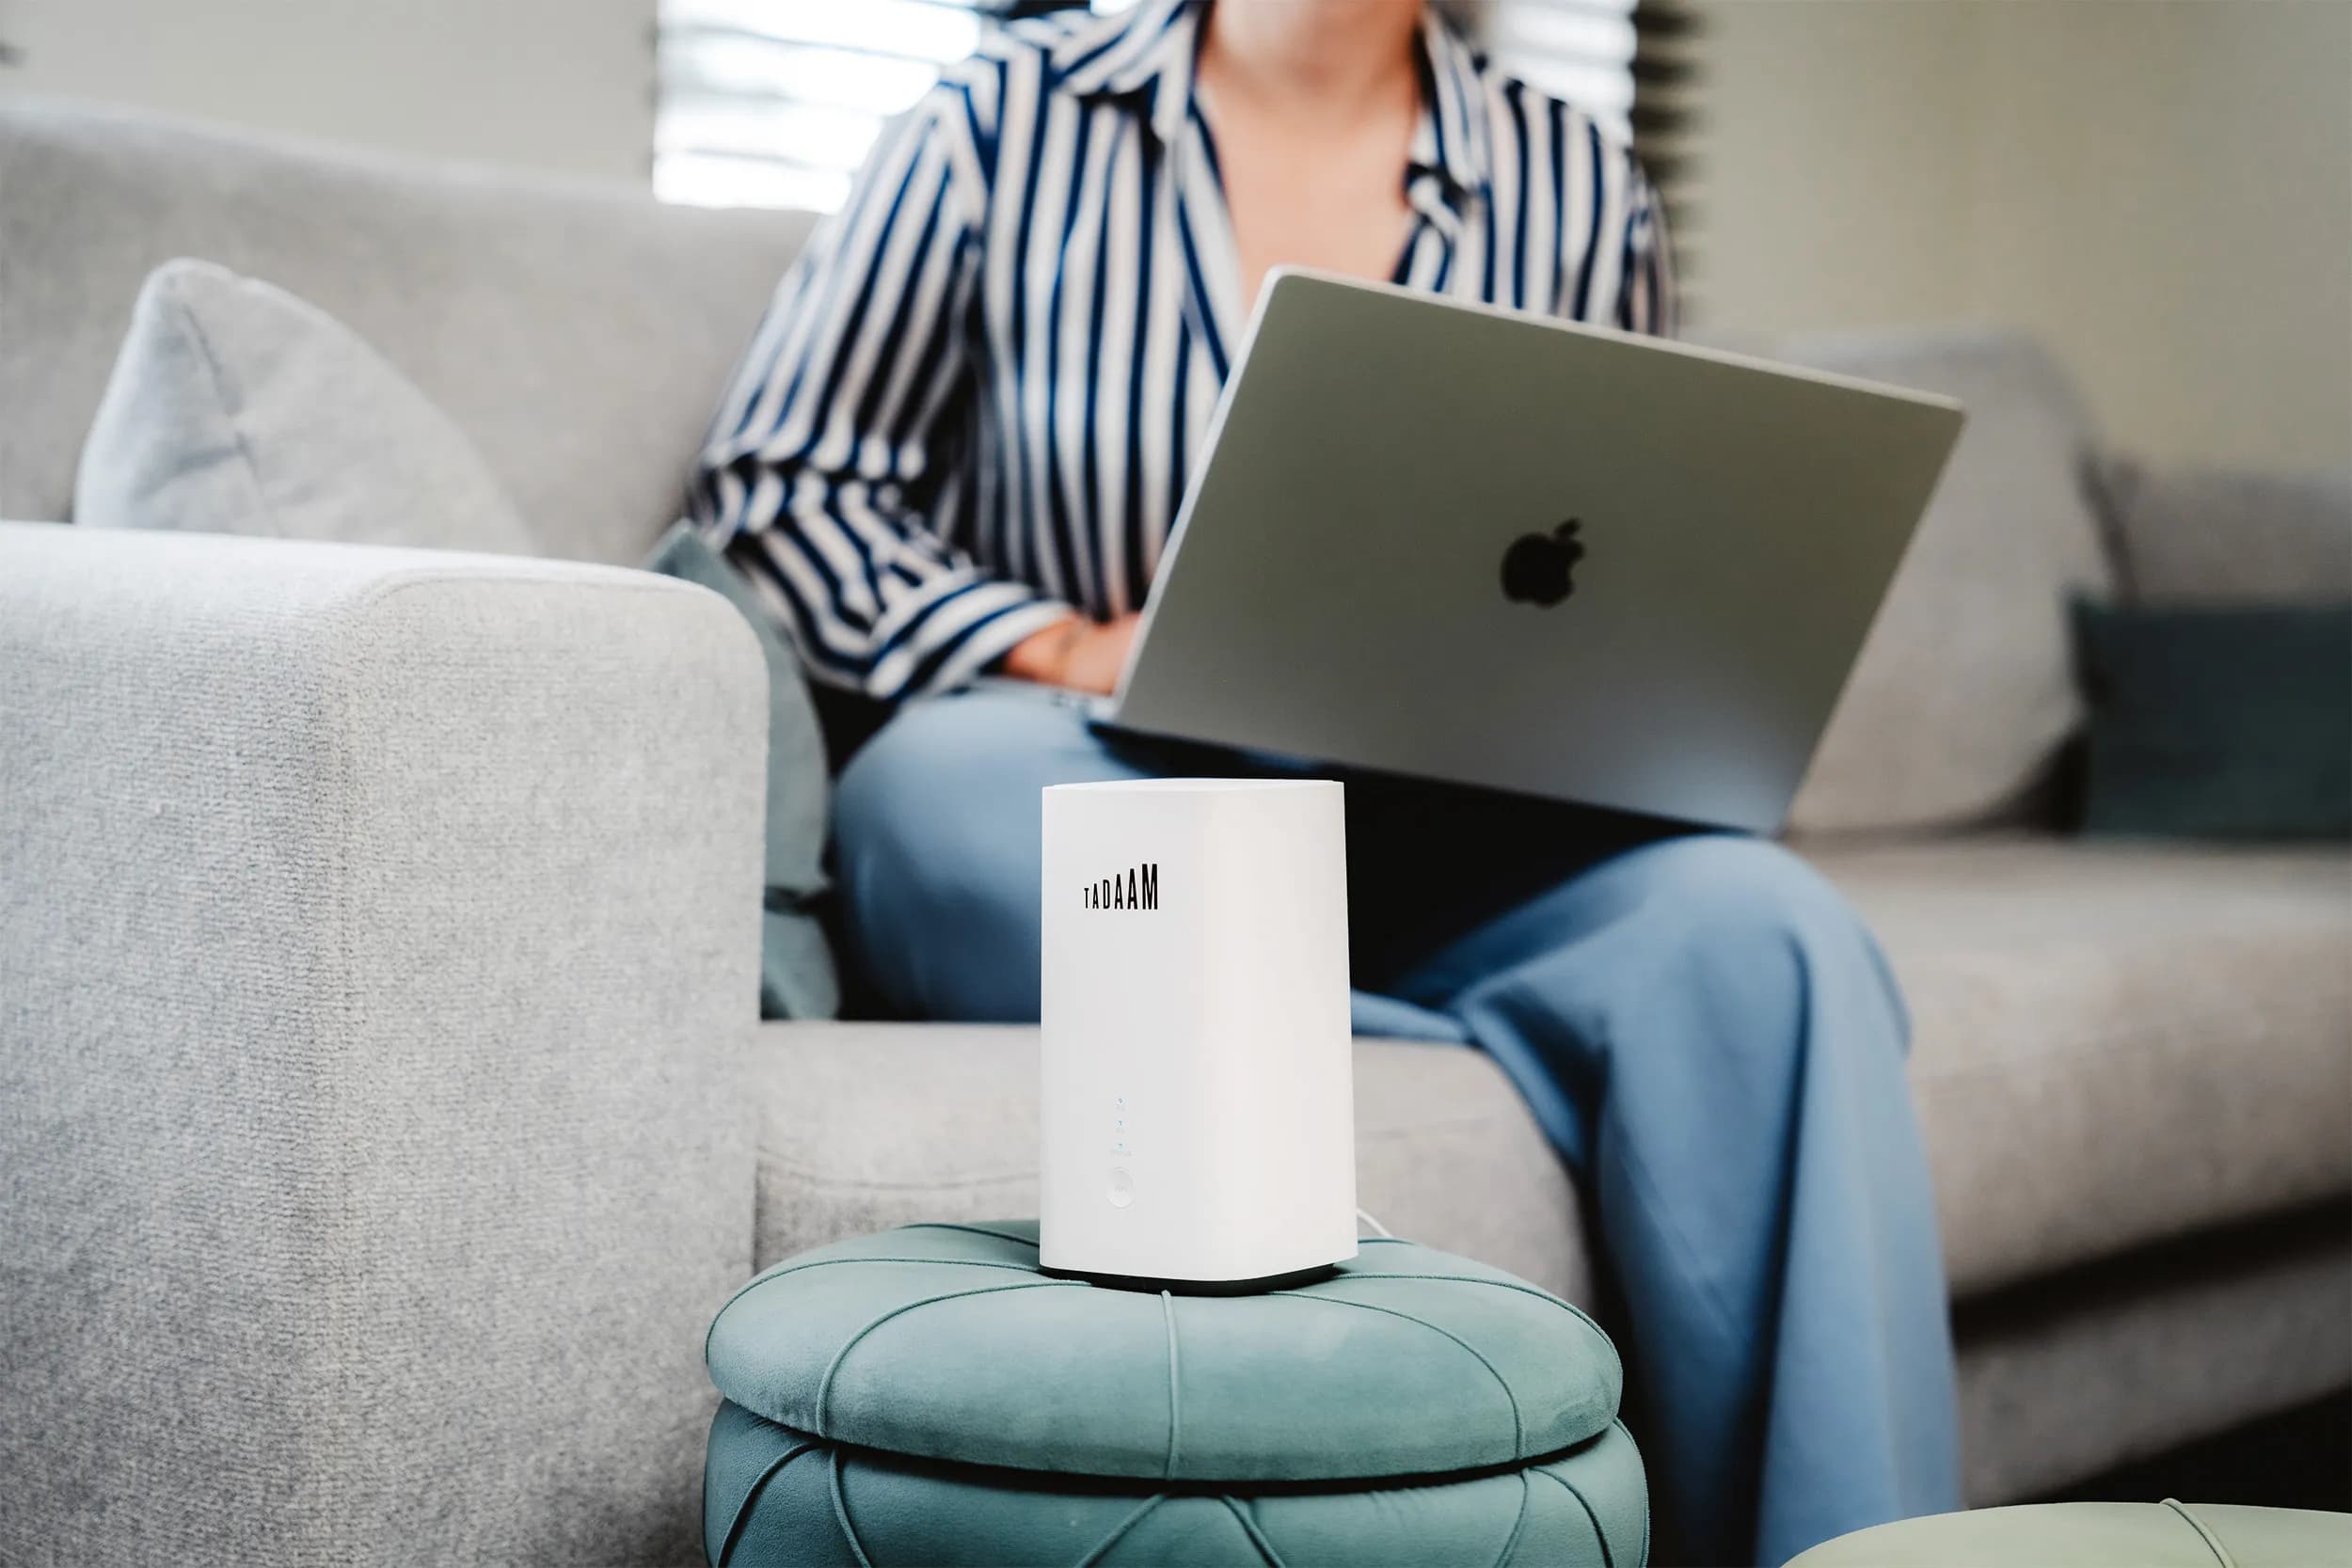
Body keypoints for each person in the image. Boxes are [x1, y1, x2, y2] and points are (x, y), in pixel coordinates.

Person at [689, 1, 1959, 1560]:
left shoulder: (1577, 180)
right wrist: (1070, 645)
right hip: (1076, 765)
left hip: (1448, 809)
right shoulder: (999, 118)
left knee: (1770, 932)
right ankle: (1490, 1023)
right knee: (940, 807)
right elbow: (781, 493)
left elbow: (1605, 554)